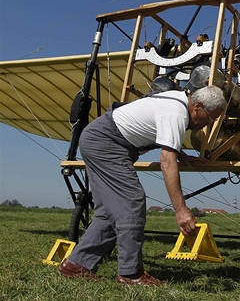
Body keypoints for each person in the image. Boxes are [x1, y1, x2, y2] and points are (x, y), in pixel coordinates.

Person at [57, 85, 227, 285]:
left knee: (110, 211)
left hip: (98, 138)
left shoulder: (177, 101)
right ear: (197, 106)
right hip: (107, 142)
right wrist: (181, 209)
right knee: (131, 202)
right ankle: (130, 274)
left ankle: (75, 266)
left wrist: (182, 155)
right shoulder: (177, 113)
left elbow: (158, 130)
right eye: (210, 117)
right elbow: (166, 161)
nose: (209, 123)